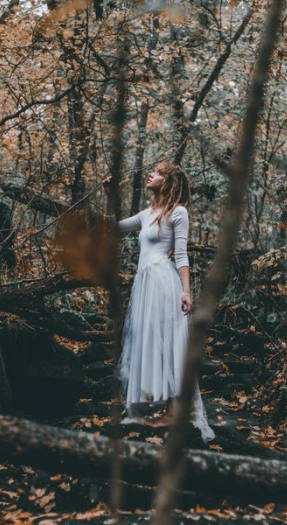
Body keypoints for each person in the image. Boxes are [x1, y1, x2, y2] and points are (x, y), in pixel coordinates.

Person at [102, 161, 215, 443]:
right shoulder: (147, 213)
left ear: (168, 181)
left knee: (170, 341)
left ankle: (175, 411)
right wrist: (110, 197)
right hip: (145, 283)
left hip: (165, 283)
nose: (151, 174)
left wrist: (186, 292)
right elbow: (113, 229)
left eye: (157, 172)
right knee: (148, 339)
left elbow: (181, 255)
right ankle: (162, 407)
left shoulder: (178, 212)